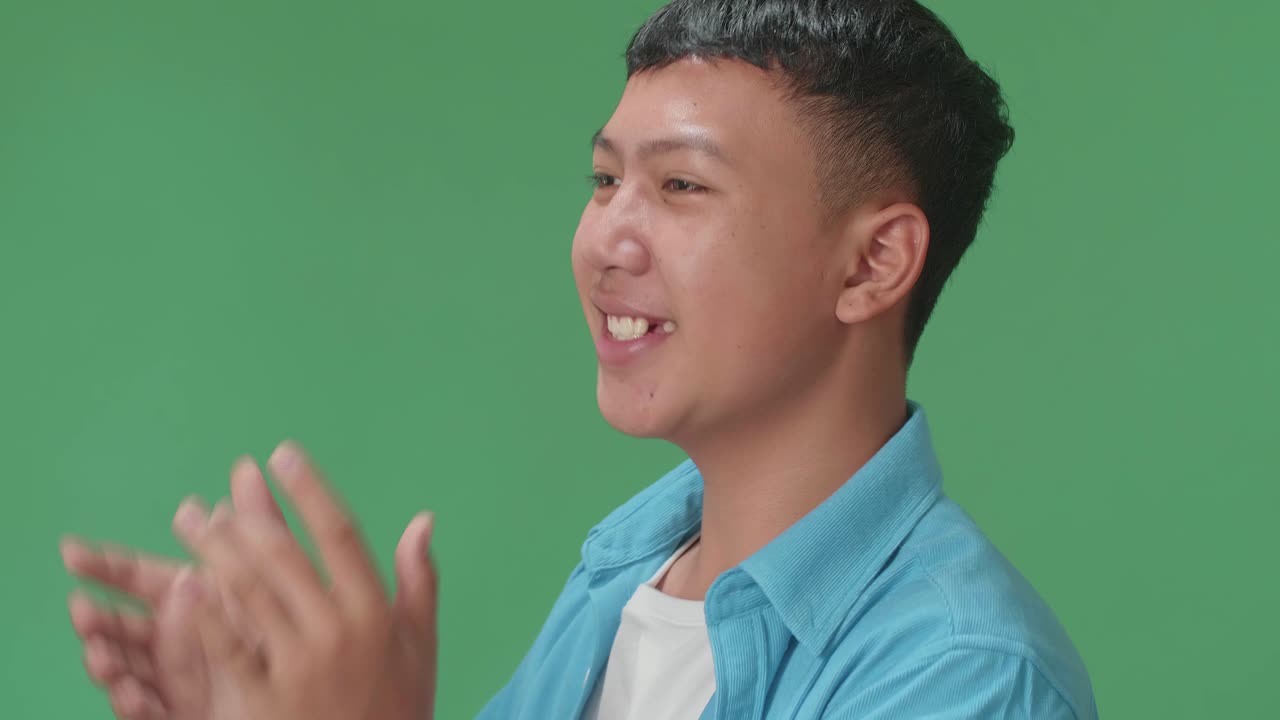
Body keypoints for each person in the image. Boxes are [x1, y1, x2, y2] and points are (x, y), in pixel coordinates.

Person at [60, 0, 1098, 718]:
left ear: (872, 264)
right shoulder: (622, 578)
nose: (605, 240)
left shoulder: (965, 678)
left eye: (681, 186)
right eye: (604, 181)